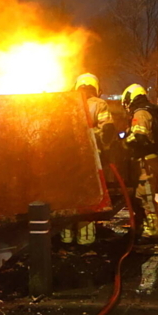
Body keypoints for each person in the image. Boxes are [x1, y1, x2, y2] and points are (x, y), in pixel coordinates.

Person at [60, 74, 116, 246]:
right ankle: (85, 238)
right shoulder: (99, 104)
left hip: (67, 158)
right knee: (88, 197)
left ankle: (66, 236)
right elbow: (107, 130)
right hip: (91, 159)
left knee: (68, 197)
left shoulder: (66, 103)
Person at [121, 83, 158, 242]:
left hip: (147, 163)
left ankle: (152, 233)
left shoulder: (141, 113)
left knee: (145, 197)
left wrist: (122, 142)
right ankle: (142, 228)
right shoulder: (148, 111)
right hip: (149, 161)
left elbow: (139, 137)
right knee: (139, 197)